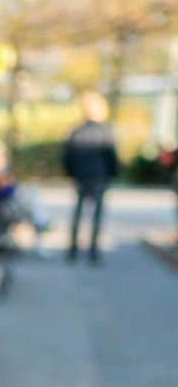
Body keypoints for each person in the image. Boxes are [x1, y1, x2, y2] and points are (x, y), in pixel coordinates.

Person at [63, 91, 119, 264]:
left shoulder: (76, 131)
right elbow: (112, 157)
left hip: (81, 177)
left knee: (78, 213)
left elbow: (67, 156)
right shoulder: (105, 132)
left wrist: (72, 174)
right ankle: (93, 251)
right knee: (96, 215)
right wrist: (112, 174)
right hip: (99, 177)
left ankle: (73, 250)